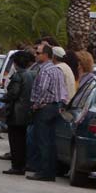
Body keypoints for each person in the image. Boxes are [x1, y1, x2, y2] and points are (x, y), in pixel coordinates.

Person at [27, 44, 70, 182]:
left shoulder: (46, 71)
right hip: (54, 107)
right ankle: (50, 171)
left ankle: (44, 172)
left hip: (45, 109)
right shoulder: (56, 70)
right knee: (50, 141)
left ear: (46, 55)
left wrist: (36, 105)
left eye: (38, 53)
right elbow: (62, 91)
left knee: (43, 141)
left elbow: (42, 89)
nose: (36, 55)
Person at [1, 50, 36, 176]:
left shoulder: (18, 76)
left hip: (16, 113)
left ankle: (16, 166)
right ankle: (21, 165)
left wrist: (2, 98)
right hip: (26, 112)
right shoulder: (31, 75)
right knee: (22, 140)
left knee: (15, 141)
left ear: (15, 63)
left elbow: (13, 94)